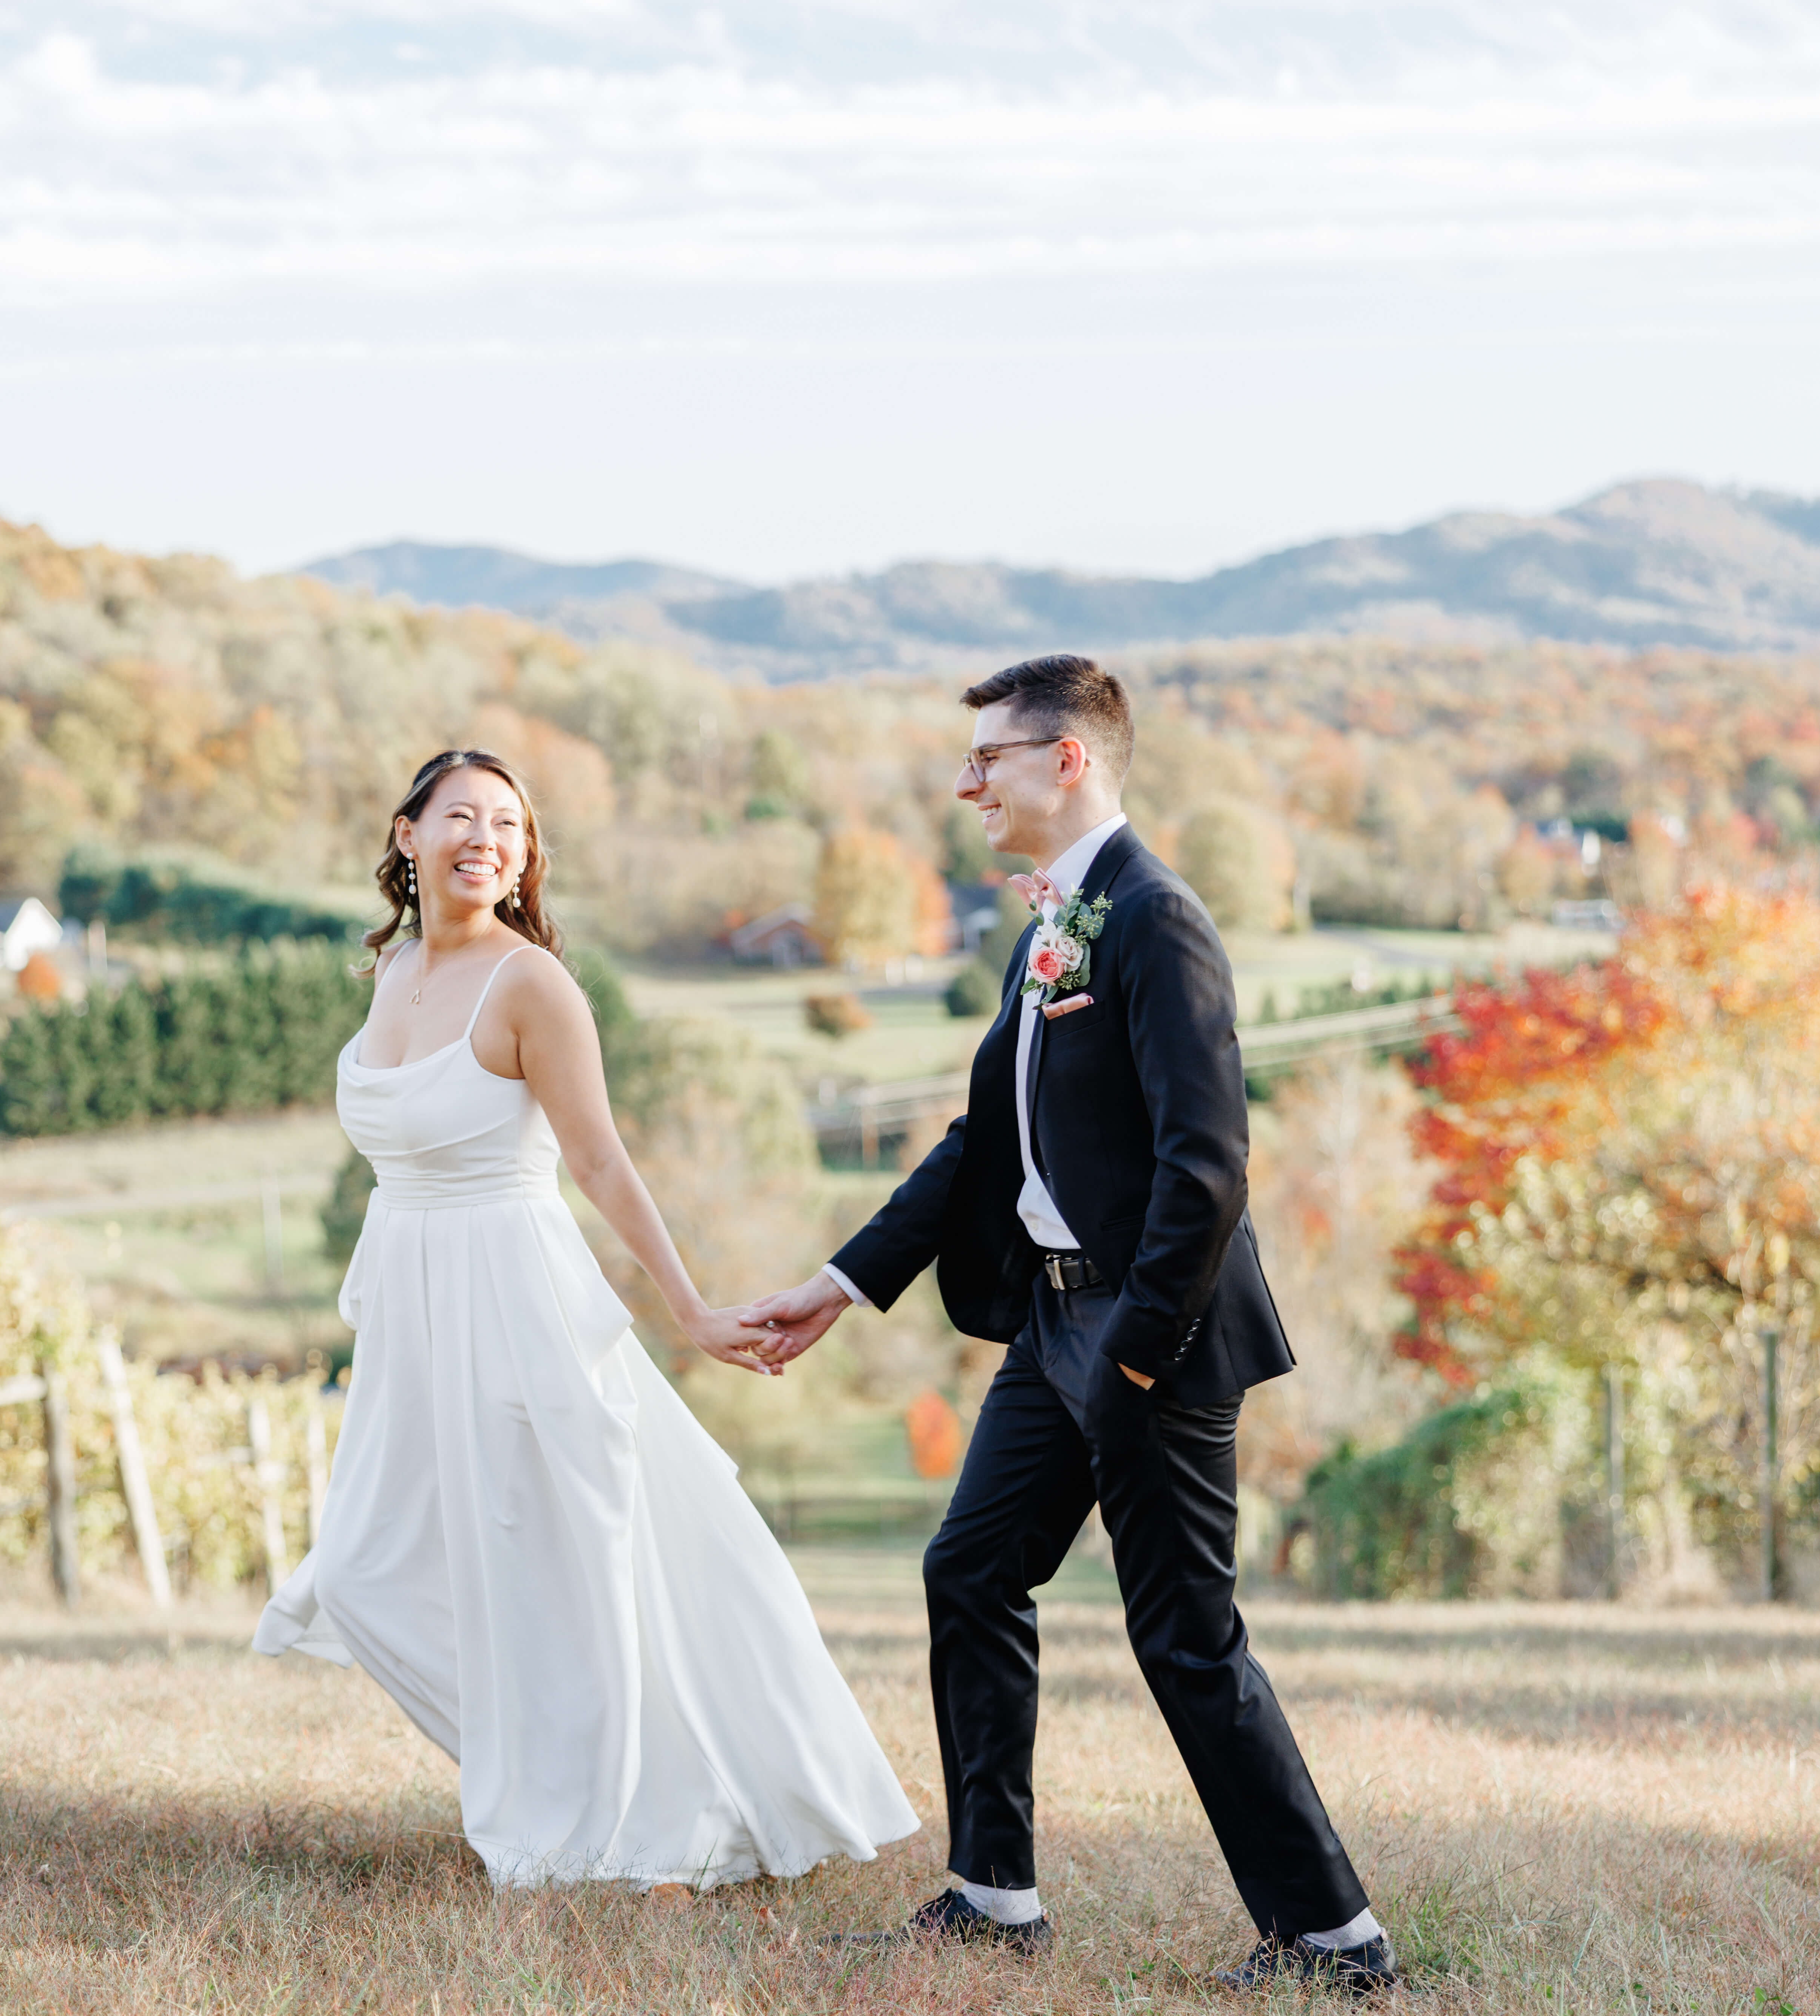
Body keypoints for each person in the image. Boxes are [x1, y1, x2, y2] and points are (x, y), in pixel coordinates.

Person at [744, 656, 1396, 1990]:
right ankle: (995, 1897)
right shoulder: (1053, 926)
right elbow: (982, 1143)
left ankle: (1337, 1940)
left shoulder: (1156, 919)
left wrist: (1138, 1358)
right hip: (1049, 1328)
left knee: (1186, 1639)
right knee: (970, 1570)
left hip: (1154, 1334)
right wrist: (843, 1281)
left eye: (988, 757)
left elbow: (1207, 1168)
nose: (966, 782)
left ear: (1069, 760)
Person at [255, 747, 917, 1891]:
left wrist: (690, 1311)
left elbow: (601, 1162)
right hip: (414, 1305)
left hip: (516, 1298)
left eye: (508, 825)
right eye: (461, 816)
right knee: (363, 1568)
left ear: (526, 856)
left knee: (559, 1557)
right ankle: (542, 1762)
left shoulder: (533, 987)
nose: (486, 840)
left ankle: (635, 1805)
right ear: (407, 835)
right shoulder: (395, 969)